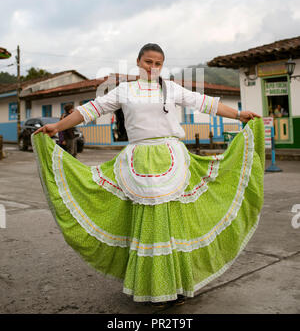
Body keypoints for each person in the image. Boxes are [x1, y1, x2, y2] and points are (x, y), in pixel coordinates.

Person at [32, 43, 264, 308]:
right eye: (148, 62)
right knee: (149, 224)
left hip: (172, 157)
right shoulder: (124, 90)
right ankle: (152, 284)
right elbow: (90, 110)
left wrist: (238, 114)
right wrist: (57, 126)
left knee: (174, 223)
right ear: (138, 62)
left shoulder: (171, 88)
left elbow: (204, 103)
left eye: (158, 63)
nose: (153, 68)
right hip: (139, 160)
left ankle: (176, 284)